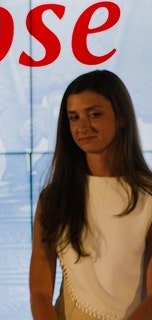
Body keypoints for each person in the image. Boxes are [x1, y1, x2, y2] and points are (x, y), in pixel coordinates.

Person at [29, 70, 152, 319]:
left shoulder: (148, 196)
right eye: (73, 118)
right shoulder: (53, 198)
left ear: (123, 117)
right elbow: (40, 290)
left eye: (94, 114)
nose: (83, 126)